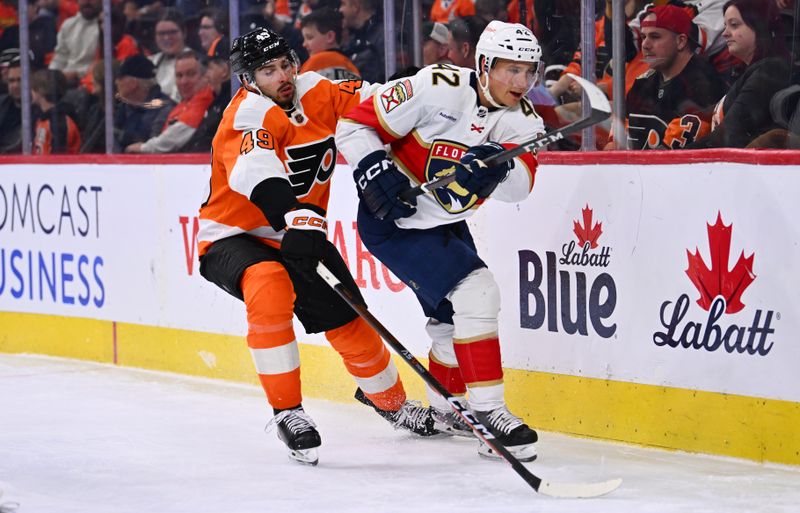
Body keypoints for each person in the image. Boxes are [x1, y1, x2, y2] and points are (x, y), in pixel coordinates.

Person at [196, 28, 439, 466]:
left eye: (286, 64)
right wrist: (293, 216)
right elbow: (258, 170)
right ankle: (289, 412)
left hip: (300, 230)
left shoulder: (319, 90)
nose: (283, 76)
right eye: (268, 71)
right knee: (269, 284)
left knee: (351, 324)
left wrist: (434, 87)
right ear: (248, 80)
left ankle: (390, 404)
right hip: (233, 237)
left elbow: (379, 99)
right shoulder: (247, 114)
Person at [336, 20, 543, 462]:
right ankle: (488, 413)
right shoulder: (436, 85)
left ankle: (448, 407)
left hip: (445, 222)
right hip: (393, 221)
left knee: (452, 317)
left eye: (529, 71)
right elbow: (353, 124)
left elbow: (520, 188)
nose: (521, 82)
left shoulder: (524, 121)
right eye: (511, 70)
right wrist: (375, 166)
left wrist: (497, 169)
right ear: (484, 65)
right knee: (478, 291)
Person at [610, 4, 726, 149]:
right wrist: (613, 144)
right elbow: (620, 133)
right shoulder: (643, 82)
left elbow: (669, 157)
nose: (645, 45)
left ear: (681, 41)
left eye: (655, 36)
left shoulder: (703, 84)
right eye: (643, 36)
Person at [689, 0, 791, 148]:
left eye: (734, 25)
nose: (725, 33)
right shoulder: (752, 71)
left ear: (759, 26)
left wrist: (672, 159)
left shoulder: (771, 70)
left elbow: (729, 133)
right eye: (725, 25)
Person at [125, 50, 213, 153]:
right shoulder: (184, 103)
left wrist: (141, 148)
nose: (184, 81)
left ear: (205, 77)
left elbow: (170, 141)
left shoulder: (203, 101)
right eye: (179, 76)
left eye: (191, 74)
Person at [114, 54, 175, 151]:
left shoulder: (164, 109)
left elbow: (154, 146)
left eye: (120, 78)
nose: (116, 82)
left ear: (133, 83)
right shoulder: (122, 107)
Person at [298, 7, 360, 80]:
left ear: (330, 37)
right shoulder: (351, 65)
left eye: (309, 37)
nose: (304, 44)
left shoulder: (315, 63)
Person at [48, 0, 100, 85]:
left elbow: (100, 64)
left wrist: (77, 73)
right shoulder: (68, 24)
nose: (87, 2)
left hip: (90, 81)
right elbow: (60, 57)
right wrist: (51, 75)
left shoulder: (105, 27)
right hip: (65, 79)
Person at [31, 69, 81, 154]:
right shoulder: (41, 119)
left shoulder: (60, 124)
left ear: (40, 90)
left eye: (32, 88)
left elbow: (59, 160)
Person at [149, 9, 191, 102]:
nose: (167, 38)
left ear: (184, 33)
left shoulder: (196, 62)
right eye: (161, 33)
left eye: (172, 32)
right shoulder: (149, 63)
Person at [339, 0, 383, 82]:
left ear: (356, 6)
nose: (340, 10)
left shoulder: (386, 35)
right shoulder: (353, 38)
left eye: (343, 4)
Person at [0, 53, 21, 153]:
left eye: (20, 80)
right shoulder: (2, 104)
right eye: (11, 81)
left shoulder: (40, 108)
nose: (15, 86)